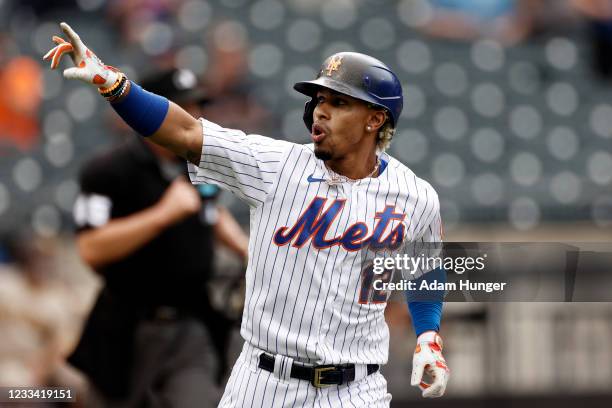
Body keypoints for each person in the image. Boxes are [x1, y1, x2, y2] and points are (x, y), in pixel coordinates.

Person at [44, 22, 450, 406]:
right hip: (264, 382)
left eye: (338, 102)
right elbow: (186, 132)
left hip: (357, 389)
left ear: (375, 120)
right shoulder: (274, 166)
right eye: (319, 100)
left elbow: (425, 268)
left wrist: (428, 335)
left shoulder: (415, 197)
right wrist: (115, 85)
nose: (321, 110)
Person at [66, 66, 249, 407]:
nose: (194, 116)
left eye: (198, 107)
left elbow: (211, 211)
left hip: (192, 322)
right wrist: (161, 216)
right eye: (184, 107)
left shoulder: (195, 165)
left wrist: (246, 249)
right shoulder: (109, 170)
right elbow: (90, 249)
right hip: (128, 327)